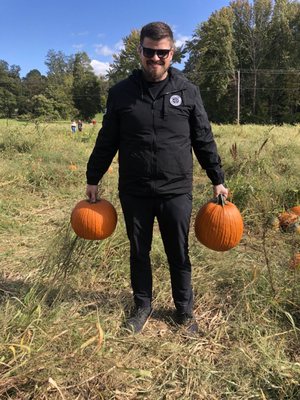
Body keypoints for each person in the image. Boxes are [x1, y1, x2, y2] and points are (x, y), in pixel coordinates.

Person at [86, 21, 228, 335]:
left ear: (171, 52)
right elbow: (107, 139)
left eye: (162, 52)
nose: (155, 58)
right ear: (139, 51)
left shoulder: (187, 91)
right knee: (139, 251)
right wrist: (93, 177)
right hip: (134, 190)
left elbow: (203, 138)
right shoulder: (121, 93)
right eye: (149, 51)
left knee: (178, 251)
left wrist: (217, 178)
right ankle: (142, 306)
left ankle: (184, 311)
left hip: (176, 189)